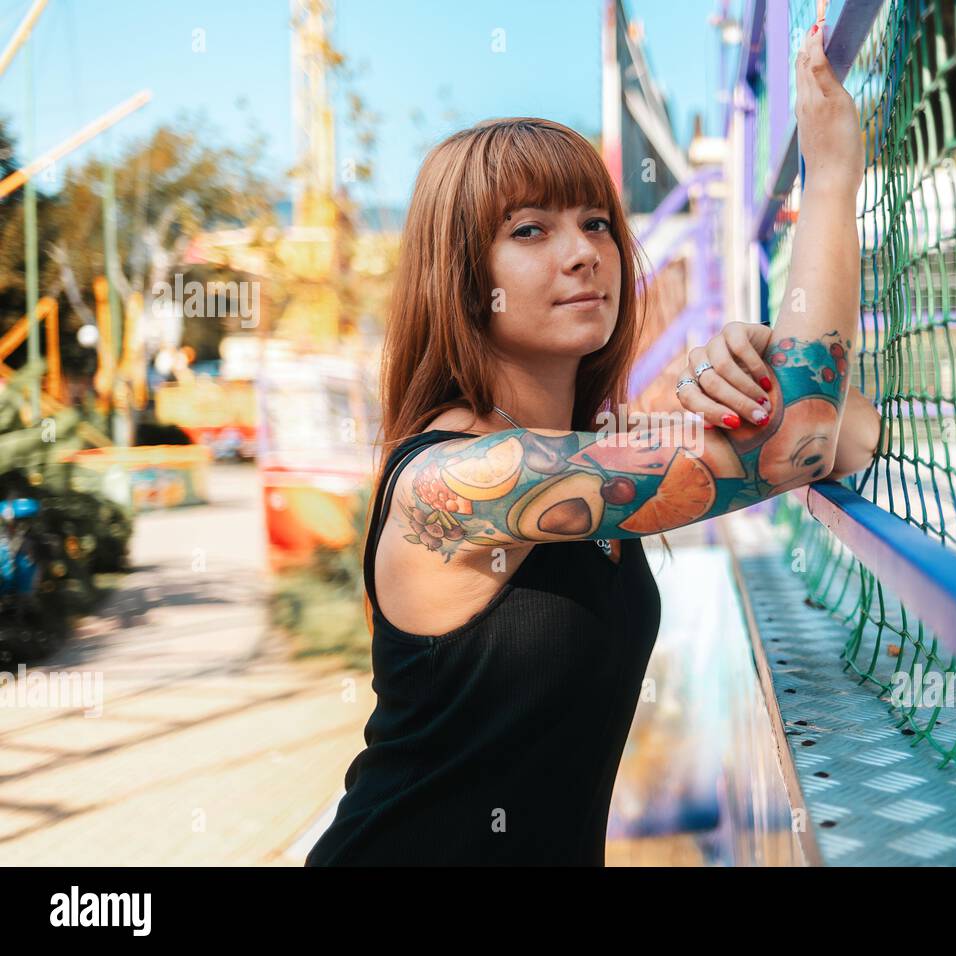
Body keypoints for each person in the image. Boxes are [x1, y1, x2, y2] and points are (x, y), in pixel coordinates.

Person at [306, 17, 877, 866]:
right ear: (463, 277)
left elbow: (846, 432)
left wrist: (748, 362)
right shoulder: (462, 484)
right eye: (529, 231)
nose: (583, 255)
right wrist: (829, 176)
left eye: (597, 223)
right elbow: (801, 437)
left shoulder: (586, 451)